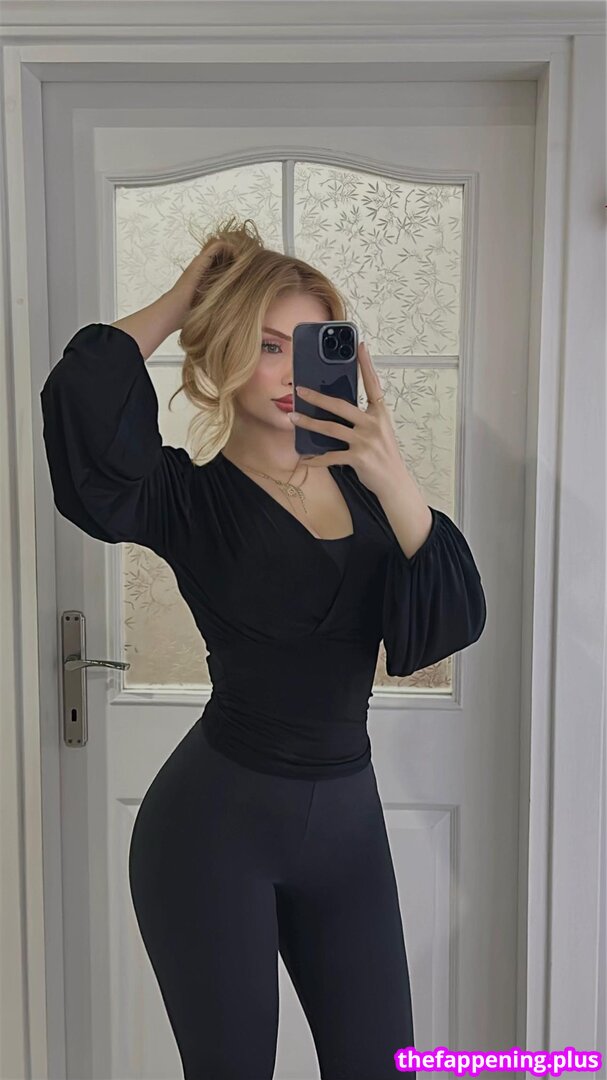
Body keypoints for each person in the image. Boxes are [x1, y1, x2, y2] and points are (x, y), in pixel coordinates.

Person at [40, 216, 487, 1079]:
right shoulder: (182, 496)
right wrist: (186, 296)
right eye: (266, 345)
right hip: (211, 830)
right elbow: (84, 400)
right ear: (224, 350)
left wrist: (392, 471)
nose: (288, 372)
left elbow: (451, 621)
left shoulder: (372, 496)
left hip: (347, 828)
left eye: (309, 347)